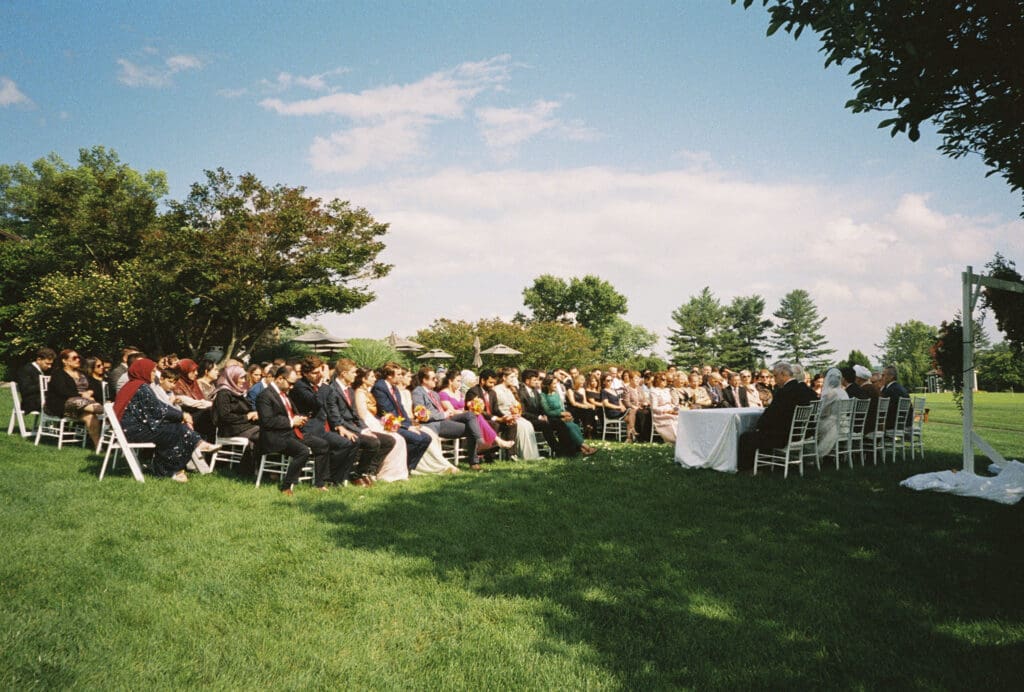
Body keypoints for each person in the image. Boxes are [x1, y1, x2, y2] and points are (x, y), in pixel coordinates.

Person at [113, 358, 219, 482]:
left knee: (176, 429)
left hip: (130, 429)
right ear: (143, 371)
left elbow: (156, 408)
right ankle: (175, 467)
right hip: (134, 431)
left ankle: (173, 468)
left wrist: (180, 415)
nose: (155, 374)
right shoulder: (141, 387)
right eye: (152, 371)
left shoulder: (133, 385)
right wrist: (182, 415)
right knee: (177, 431)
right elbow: (158, 409)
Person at [256, 365, 331, 495]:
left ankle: (319, 484)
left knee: (323, 445)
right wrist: (291, 422)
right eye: (290, 383)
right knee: (302, 451)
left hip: (291, 433)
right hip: (274, 436)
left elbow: (289, 414)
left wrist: (298, 418)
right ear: (280, 378)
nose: (292, 387)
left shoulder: (285, 394)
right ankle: (286, 486)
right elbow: (267, 421)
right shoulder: (265, 396)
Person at [288, 356, 361, 488]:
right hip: (305, 431)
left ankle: (335, 479)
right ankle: (323, 479)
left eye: (320, 372)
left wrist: (339, 426)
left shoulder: (323, 387)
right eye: (315, 373)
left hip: (320, 429)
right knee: (327, 444)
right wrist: (323, 382)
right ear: (305, 373)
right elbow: (316, 403)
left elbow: (331, 407)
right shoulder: (300, 386)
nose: (318, 376)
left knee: (350, 443)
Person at [321, 358, 397, 484]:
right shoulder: (332, 390)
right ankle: (357, 473)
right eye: (353, 372)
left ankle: (366, 471)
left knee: (389, 440)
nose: (356, 375)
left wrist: (365, 429)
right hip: (342, 429)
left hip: (354, 427)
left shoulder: (349, 390)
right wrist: (360, 431)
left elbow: (356, 415)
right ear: (344, 374)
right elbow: (336, 418)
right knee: (373, 442)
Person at [737, 361, 817, 471]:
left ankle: (746, 469)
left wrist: (758, 425)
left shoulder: (784, 392)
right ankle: (767, 463)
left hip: (784, 436)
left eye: (775, 375)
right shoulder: (806, 390)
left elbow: (770, 416)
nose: (774, 379)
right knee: (763, 431)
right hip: (803, 433)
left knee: (746, 437)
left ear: (783, 374)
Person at [351, 366, 413, 481]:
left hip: (374, 421)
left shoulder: (367, 392)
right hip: (368, 424)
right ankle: (382, 472)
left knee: (399, 439)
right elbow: (363, 415)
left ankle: (397, 472)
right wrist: (380, 425)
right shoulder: (359, 393)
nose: (375, 379)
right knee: (394, 438)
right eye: (372, 377)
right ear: (363, 379)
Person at [412, 366, 485, 462]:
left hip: (445, 419)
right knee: (472, 428)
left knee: (470, 415)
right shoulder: (418, 392)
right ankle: (476, 455)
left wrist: (447, 414)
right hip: (434, 423)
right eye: (433, 378)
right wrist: (443, 414)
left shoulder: (434, 393)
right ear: (424, 380)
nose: (436, 380)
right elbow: (421, 413)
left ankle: (479, 441)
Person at [371, 362, 433, 471]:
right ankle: (402, 467)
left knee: (426, 438)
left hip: (399, 422)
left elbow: (401, 409)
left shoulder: (394, 388)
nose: (401, 377)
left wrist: (410, 424)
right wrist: (406, 427)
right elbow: (387, 411)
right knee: (417, 439)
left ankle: (409, 467)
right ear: (389, 376)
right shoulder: (379, 387)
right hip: (387, 424)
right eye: (398, 374)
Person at [437, 369, 512, 453]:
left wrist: (470, 407)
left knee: (475, 415)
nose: (460, 383)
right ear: (450, 381)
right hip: (451, 420)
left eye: (460, 381)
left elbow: (464, 407)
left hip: (464, 417)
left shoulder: (459, 393)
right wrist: (467, 411)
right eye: (458, 381)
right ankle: (494, 442)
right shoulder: (443, 393)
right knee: (475, 415)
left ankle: (488, 445)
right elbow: (451, 411)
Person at [45, 348, 103, 446]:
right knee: (85, 404)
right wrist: (82, 395)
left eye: (78, 357)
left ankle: (98, 447)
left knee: (90, 416)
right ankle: (108, 412)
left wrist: (89, 392)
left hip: (83, 405)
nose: (78, 360)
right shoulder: (58, 374)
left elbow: (95, 386)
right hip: (62, 404)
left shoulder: (82, 373)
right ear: (64, 361)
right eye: (74, 358)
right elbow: (62, 391)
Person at [211, 363, 260, 473]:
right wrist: (246, 417)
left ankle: (251, 467)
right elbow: (224, 416)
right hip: (229, 429)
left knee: (267, 431)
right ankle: (248, 468)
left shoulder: (237, 392)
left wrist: (253, 414)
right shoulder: (223, 393)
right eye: (241, 378)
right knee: (260, 434)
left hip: (242, 426)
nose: (243, 381)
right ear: (232, 377)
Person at [538, 376, 597, 456]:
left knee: (574, 426)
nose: (556, 385)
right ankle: (585, 447)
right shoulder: (543, 396)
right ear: (548, 385)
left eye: (556, 383)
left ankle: (581, 449)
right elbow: (547, 411)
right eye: (554, 384)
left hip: (561, 417)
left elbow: (561, 407)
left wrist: (566, 415)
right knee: (569, 427)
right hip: (552, 419)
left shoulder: (556, 394)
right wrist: (561, 413)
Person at [492, 367, 540, 459]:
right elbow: (495, 408)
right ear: (504, 378)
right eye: (511, 377)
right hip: (503, 416)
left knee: (528, 424)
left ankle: (532, 455)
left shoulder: (510, 390)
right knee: (522, 426)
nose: (514, 380)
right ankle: (521, 455)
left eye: (514, 377)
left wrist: (517, 410)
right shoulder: (496, 390)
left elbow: (515, 404)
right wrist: (506, 416)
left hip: (514, 415)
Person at [171, 359, 215, 441]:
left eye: (196, 371)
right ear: (184, 370)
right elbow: (187, 402)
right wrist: (212, 404)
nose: (196, 373)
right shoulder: (177, 383)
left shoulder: (193, 383)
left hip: (197, 415)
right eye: (193, 371)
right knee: (209, 412)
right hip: (186, 416)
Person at [816, 367, 850, 459]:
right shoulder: (844, 392)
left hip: (833, 424)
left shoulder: (830, 394)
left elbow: (821, 412)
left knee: (812, 426)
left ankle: (811, 452)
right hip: (845, 425)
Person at [15, 347, 55, 414]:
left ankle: (61, 424)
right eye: (47, 363)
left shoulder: (41, 370)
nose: (49, 366)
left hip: (42, 400)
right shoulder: (26, 370)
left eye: (51, 364)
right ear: (39, 360)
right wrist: (45, 384)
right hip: (31, 403)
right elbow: (25, 389)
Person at [648, 372, 680, 443]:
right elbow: (654, 407)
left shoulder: (667, 390)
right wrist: (666, 411)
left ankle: (684, 438)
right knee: (671, 421)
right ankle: (676, 440)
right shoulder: (654, 391)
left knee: (681, 417)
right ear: (657, 380)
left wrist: (675, 409)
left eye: (666, 380)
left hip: (671, 411)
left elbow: (671, 403)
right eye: (663, 379)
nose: (665, 381)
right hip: (660, 414)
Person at [880, 365, 913, 431]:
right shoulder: (900, 388)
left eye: (883, 375)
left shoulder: (890, 390)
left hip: (896, 424)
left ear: (891, 377)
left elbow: (882, 408)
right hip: (907, 422)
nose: (881, 378)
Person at [565, 374, 599, 438]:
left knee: (591, 409)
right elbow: (573, 403)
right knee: (587, 411)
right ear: (577, 382)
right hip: (573, 408)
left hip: (581, 408)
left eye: (583, 383)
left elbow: (584, 401)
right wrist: (583, 406)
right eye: (581, 383)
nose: (582, 384)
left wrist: (591, 405)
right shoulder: (570, 390)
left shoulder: (582, 389)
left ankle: (589, 427)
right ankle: (588, 428)